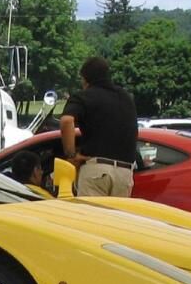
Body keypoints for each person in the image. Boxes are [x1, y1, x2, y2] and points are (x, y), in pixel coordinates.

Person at [59, 56, 138, 197]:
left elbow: (66, 121)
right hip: (124, 174)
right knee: (115, 219)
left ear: (85, 78)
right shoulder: (126, 97)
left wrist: (71, 156)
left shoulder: (83, 96)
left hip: (96, 171)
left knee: (91, 217)